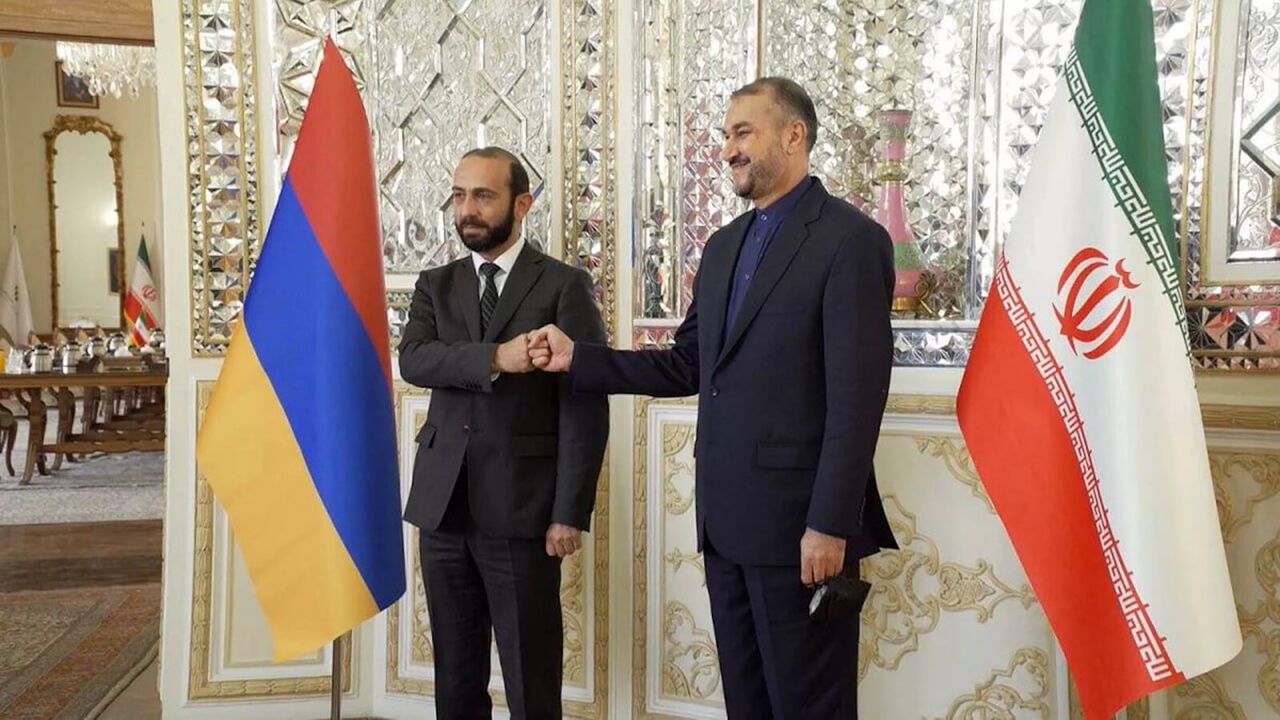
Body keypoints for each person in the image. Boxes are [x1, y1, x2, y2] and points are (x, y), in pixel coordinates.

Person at [530, 78, 896, 718]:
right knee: (747, 705)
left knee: (810, 707)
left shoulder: (850, 240)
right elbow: (687, 364)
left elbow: (857, 401)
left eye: (743, 133)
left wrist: (829, 524)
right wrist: (578, 358)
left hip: (801, 531)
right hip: (724, 527)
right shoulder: (724, 246)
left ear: (794, 135)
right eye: (725, 135)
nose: (728, 149)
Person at [398, 147, 609, 719]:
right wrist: (497, 357)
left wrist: (569, 511)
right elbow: (415, 360)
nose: (467, 209)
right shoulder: (435, 284)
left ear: (522, 204)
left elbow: (586, 408)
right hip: (443, 510)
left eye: (483, 196)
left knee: (530, 681)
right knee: (455, 682)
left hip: (524, 513)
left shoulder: (564, 285)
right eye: (459, 196)